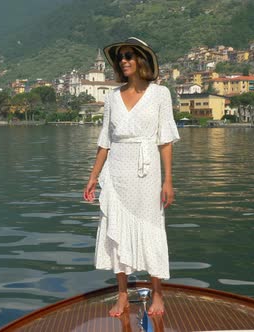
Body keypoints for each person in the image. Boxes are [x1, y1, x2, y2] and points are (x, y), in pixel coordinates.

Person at [83, 37, 180, 317]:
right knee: (116, 230)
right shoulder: (112, 96)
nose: (123, 61)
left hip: (147, 172)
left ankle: (158, 293)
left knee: (152, 227)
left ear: (141, 60)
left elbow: (165, 141)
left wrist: (168, 181)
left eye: (129, 56)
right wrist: (93, 176)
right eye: (120, 58)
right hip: (117, 170)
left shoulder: (161, 94)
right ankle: (122, 295)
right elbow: (105, 140)